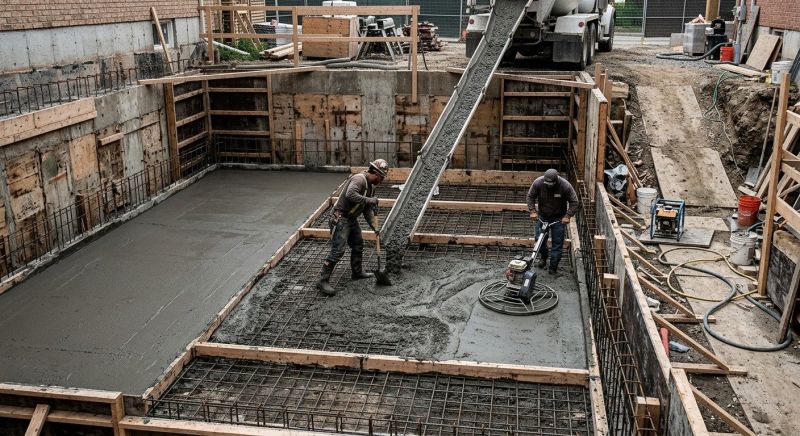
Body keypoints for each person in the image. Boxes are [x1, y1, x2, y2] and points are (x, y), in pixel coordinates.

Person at [316, 159, 390, 296]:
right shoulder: (359, 179)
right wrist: (370, 200)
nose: (382, 181)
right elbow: (351, 194)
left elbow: (367, 209)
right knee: (338, 251)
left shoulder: (371, 187)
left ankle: (357, 272)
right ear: (376, 173)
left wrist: (374, 226)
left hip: (351, 219)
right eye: (382, 177)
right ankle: (322, 280)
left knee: (358, 244)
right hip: (340, 218)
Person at [526, 168, 578, 274]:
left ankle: (553, 268)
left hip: (558, 219)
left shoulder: (565, 186)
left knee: (557, 243)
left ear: (556, 180)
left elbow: (574, 202)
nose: (549, 185)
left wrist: (568, 215)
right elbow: (530, 196)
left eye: (551, 184)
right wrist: (532, 211)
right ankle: (543, 258)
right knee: (539, 240)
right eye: (547, 183)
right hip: (543, 216)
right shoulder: (538, 182)